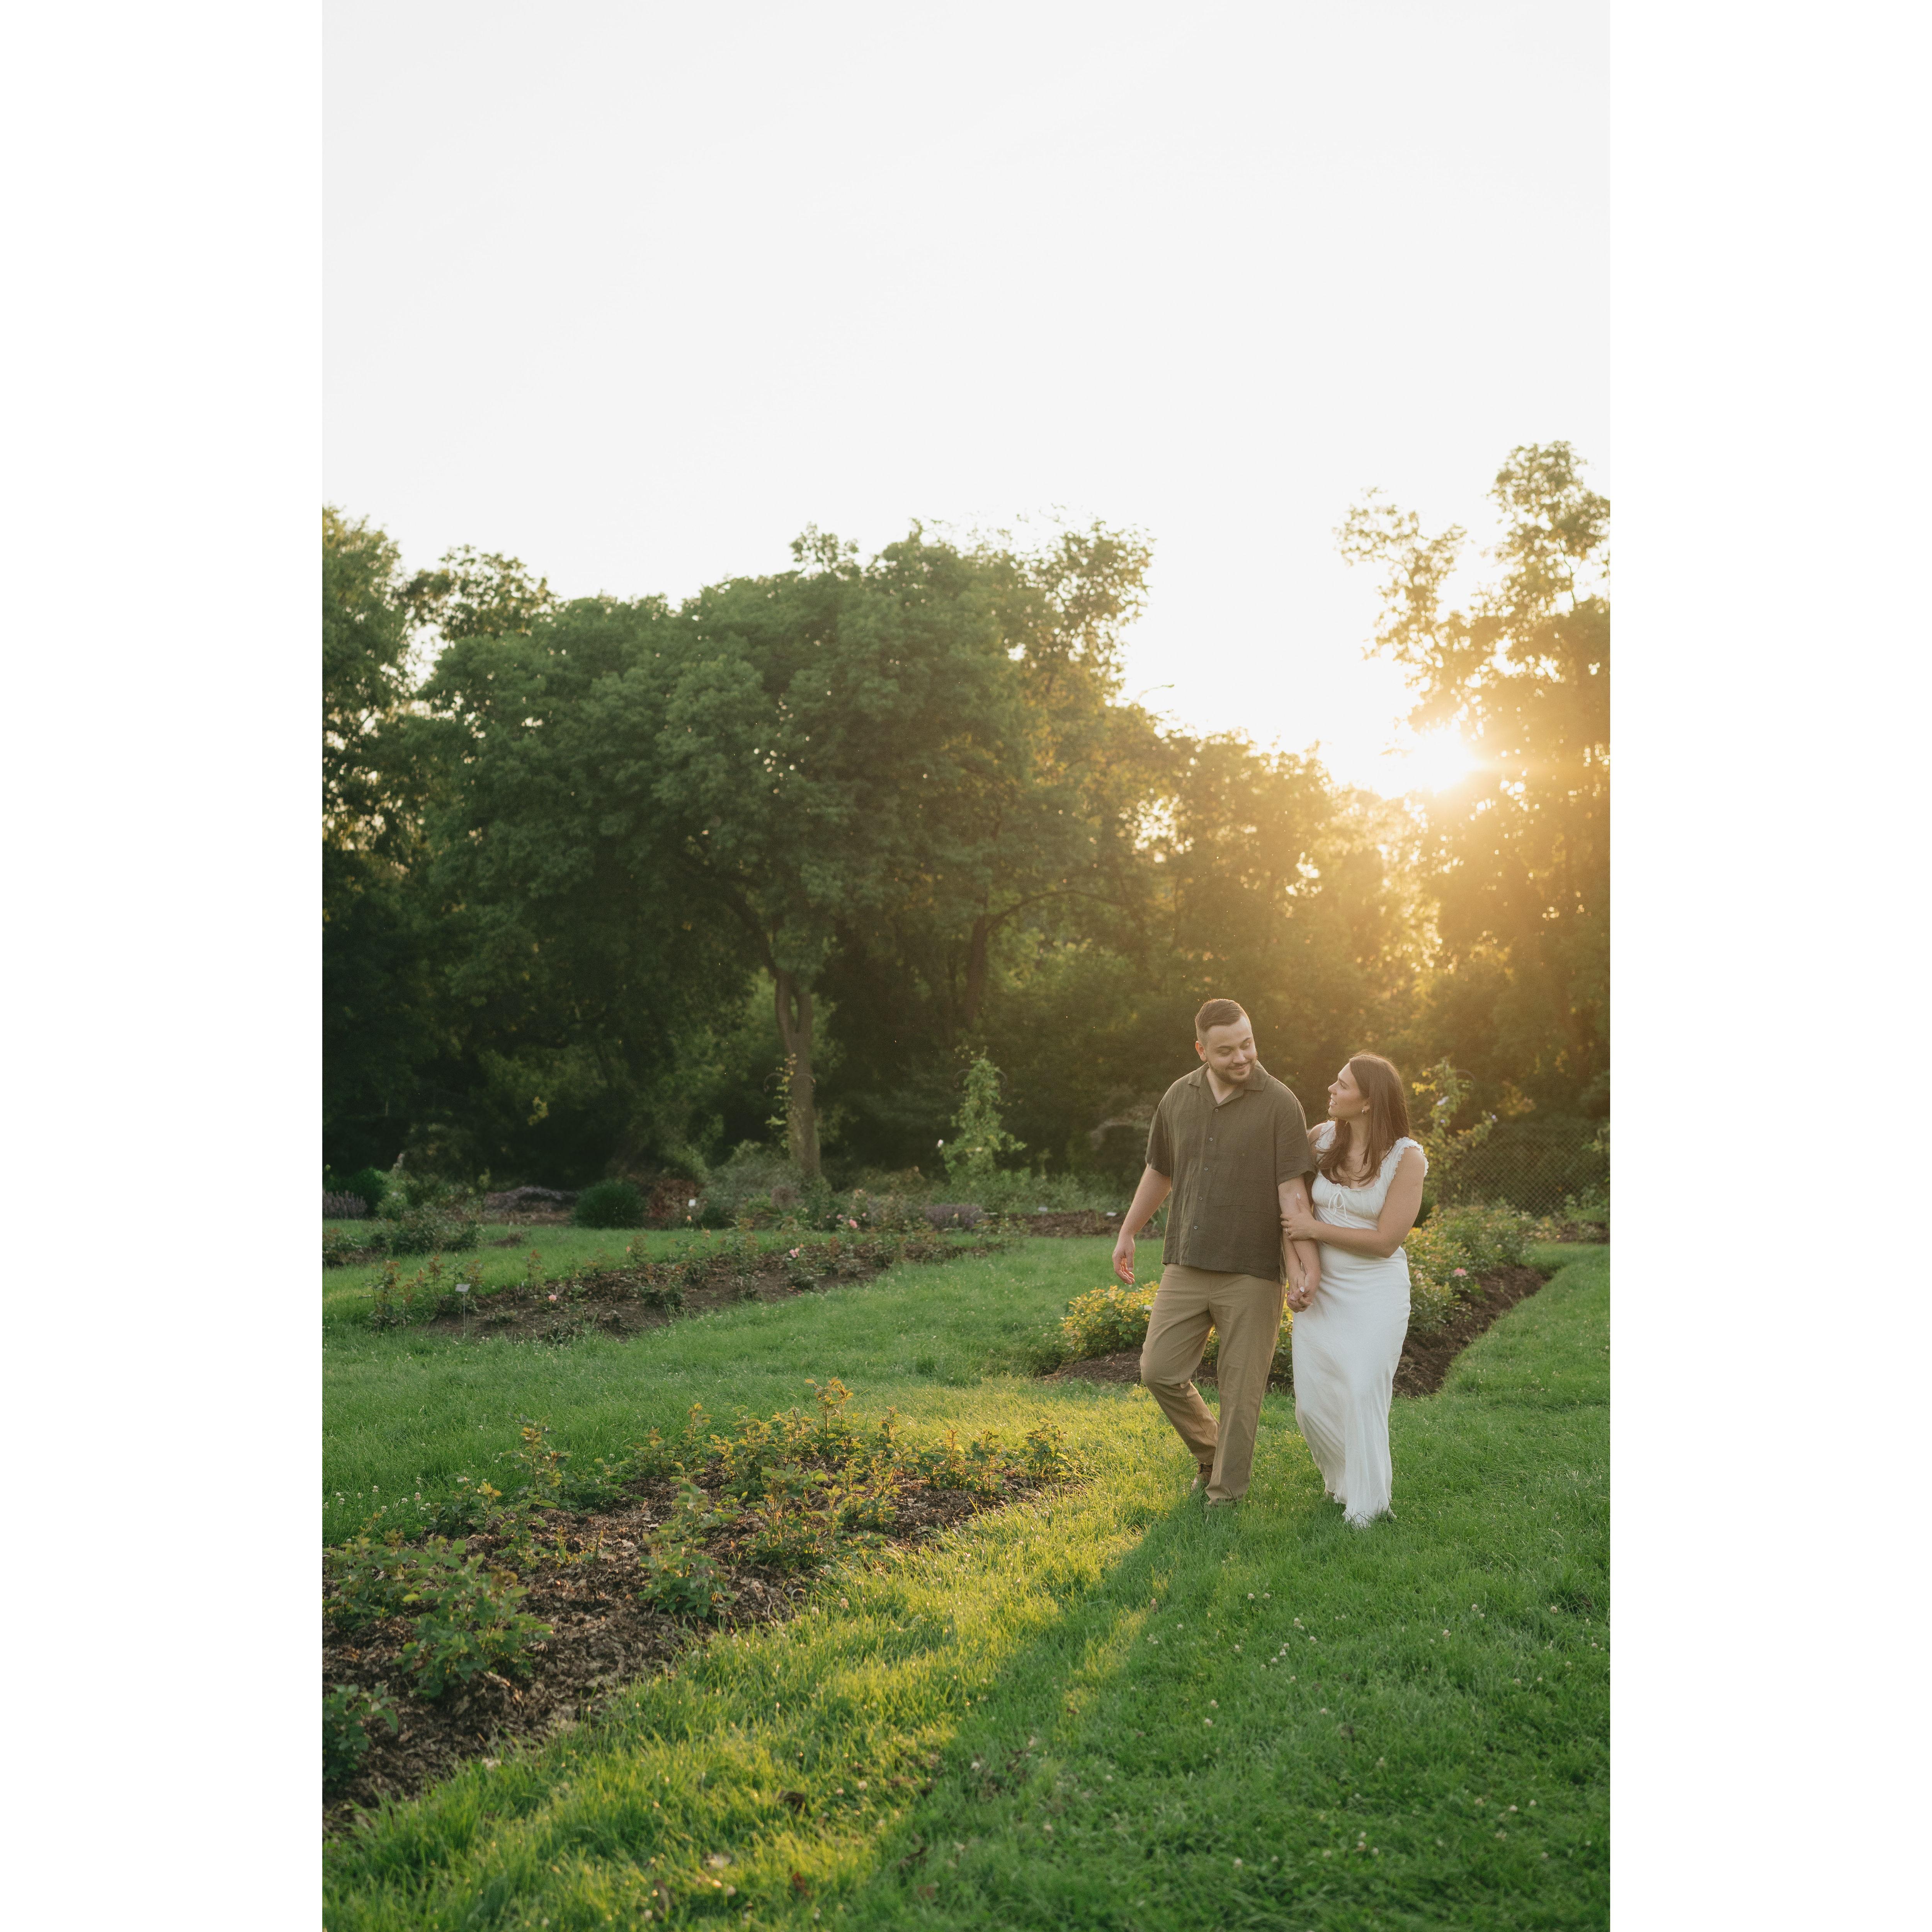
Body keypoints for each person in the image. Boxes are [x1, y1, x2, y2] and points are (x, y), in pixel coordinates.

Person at [1111, 999, 1324, 1510]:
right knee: (1158, 1370)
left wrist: (1303, 1265)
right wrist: (1128, 1230)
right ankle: (1211, 1452)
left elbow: (1292, 1192)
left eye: (1247, 1044)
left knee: (1240, 1390)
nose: (1241, 1057)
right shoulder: (1178, 1097)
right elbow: (1160, 1169)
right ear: (1201, 1050)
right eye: (1226, 1050)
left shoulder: (1280, 1103)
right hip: (1187, 1259)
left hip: (1251, 1269)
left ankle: (1225, 1495)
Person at [1280, 1051, 1427, 1527]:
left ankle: (1368, 1505)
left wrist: (1314, 1230)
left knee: (1363, 1390)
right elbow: (1288, 1206)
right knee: (1311, 1404)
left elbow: (1386, 1242)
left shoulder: (1406, 1157)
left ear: (1368, 1101)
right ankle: (1343, 1482)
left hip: (1375, 1291)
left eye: (1342, 1084)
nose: (1331, 1088)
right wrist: (1296, 1270)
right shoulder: (1319, 1139)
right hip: (1321, 1289)